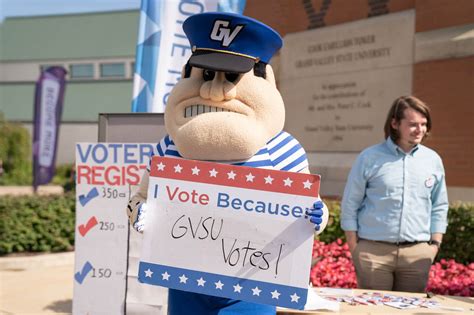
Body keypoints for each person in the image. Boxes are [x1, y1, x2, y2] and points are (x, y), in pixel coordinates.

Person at [126, 12, 328, 314]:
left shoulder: (281, 149)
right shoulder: (170, 146)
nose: (213, 91)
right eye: (206, 75)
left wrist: (316, 215)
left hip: (252, 286)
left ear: (265, 80)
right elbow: (140, 200)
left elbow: (309, 208)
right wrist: (143, 216)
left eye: (231, 76)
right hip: (186, 282)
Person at [341, 95, 448, 293]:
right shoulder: (369, 158)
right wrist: (354, 247)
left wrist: (434, 245)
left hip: (417, 255)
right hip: (373, 253)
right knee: (373, 311)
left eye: (424, 124)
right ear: (395, 123)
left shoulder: (432, 160)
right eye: (413, 124)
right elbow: (350, 203)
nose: (420, 130)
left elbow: (439, 205)